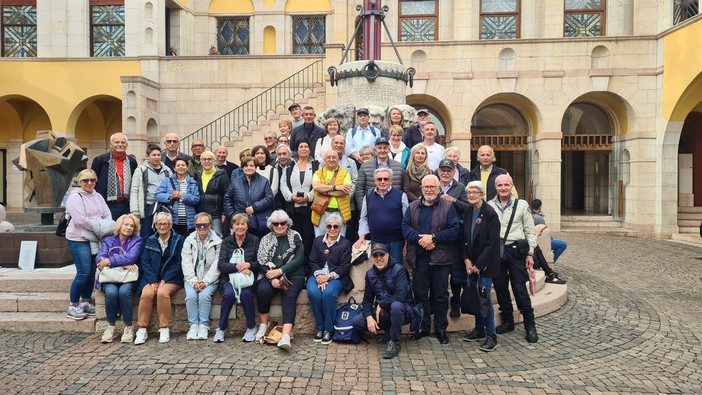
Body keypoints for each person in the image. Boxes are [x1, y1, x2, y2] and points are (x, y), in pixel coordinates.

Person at [402, 174, 460, 344]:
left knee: (440, 295)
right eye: (426, 187)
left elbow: (454, 230)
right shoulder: (412, 207)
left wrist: (433, 238)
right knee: (420, 294)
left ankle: (441, 328)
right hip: (419, 258)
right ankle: (423, 327)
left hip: (441, 260)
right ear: (421, 189)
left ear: (438, 189)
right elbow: (405, 228)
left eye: (432, 187)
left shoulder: (448, 207)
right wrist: (422, 239)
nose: (429, 189)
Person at [487, 174, 539, 343]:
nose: (503, 188)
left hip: (515, 251)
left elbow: (529, 231)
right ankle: (508, 320)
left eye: (506, 185)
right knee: (501, 287)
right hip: (497, 251)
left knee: (519, 287)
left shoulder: (522, 205)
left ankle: (530, 325)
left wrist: (530, 253)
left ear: (511, 186)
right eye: (500, 185)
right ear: (495, 187)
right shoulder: (489, 206)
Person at [352, 243, 415, 359]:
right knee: (357, 322)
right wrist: (369, 317)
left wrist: (381, 304)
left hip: (404, 310)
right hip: (383, 312)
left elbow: (400, 296)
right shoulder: (370, 274)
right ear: (371, 258)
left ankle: (395, 341)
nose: (379, 258)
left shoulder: (399, 270)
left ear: (387, 255)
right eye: (375, 256)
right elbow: (367, 301)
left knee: (396, 306)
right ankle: (389, 331)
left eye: (382, 255)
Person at [254, 210, 306, 351]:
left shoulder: (295, 236)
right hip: (270, 275)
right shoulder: (265, 239)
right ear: (271, 225)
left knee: (289, 295)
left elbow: (299, 259)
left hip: (293, 275)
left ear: (287, 224)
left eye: (283, 223)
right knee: (262, 290)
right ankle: (264, 325)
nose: (279, 226)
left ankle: (286, 336)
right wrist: (272, 278)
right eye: (276, 224)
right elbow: (261, 261)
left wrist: (280, 271)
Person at [65, 169, 112, 320]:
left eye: (92, 180)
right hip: (78, 238)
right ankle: (73, 305)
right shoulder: (75, 197)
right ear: (80, 182)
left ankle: (85, 301)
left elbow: (107, 215)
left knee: (92, 271)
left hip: (95, 238)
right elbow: (80, 220)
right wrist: (101, 227)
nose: (89, 183)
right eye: (86, 180)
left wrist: (103, 226)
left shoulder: (97, 196)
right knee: (83, 272)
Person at [460, 181, 501, 352]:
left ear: (482, 194)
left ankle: (491, 335)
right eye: (469, 192)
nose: (471, 195)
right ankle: (479, 329)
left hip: (485, 265)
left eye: (475, 192)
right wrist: (467, 260)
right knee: (477, 298)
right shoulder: (469, 210)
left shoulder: (490, 213)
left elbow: (492, 244)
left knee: (484, 299)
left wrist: (478, 265)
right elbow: (463, 238)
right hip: (472, 263)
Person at [134, 212, 185, 345]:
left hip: (172, 278)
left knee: (162, 293)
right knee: (146, 294)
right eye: (159, 224)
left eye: (165, 224)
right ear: (155, 225)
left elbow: (179, 262)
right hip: (151, 278)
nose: (162, 226)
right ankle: (142, 329)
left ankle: (164, 328)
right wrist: (152, 281)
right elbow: (145, 262)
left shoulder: (179, 240)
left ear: (171, 225)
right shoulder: (149, 240)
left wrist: (164, 280)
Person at [95, 214, 143, 343]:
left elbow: (132, 257)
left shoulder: (137, 241)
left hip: (128, 277)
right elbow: (99, 258)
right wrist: (123, 263)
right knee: (111, 292)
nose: (128, 228)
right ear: (119, 225)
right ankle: (111, 326)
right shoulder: (108, 240)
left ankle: (128, 327)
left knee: (124, 292)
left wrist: (110, 261)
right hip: (110, 277)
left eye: (131, 226)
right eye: (126, 224)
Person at [306, 213, 353, 345]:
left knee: (328, 294)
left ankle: (328, 329)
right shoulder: (318, 240)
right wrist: (320, 276)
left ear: (340, 228)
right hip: (317, 275)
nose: (332, 229)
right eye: (329, 226)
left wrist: (328, 277)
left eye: (335, 226)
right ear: (326, 227)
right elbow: (313, 260)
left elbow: (345, 266)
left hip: (336, 277)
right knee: (313, 293)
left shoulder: (345, 243)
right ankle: (319, 328)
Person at [214, 213, 260, 343]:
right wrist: (239, 267)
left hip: (248, 279)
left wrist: (249, 265)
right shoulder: (226, 241)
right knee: (229, 295)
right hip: (229, 278)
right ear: (232, 226)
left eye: (242, 224)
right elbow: (221, 264)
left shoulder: (255, 240)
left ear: (247, 225)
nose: (240, 227)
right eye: (237, 224)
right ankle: (221, 328)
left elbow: (260, 263)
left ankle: (251, 327)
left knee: (246, 295)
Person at [436, 159, 469, 318]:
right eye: (442, 170)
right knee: (440, 275)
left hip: (456, 237)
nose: (445, 173)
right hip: (438, 237)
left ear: (453, 171)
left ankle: (456, 302)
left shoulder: (460, 187)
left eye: (448, 170)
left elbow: (468, 208)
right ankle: (440, 303)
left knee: (457, 275)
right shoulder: (433, 186)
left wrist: (453, 200)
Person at [356, 168, 409, 267]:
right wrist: (361, 237)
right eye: (379, 179)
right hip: (376, 240)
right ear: (375, 181)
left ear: (391, 181)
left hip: (396, 241)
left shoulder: (401, 196)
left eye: (386, 179)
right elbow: (363, 218)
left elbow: (407, 220)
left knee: (396, 269)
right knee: (379, 269)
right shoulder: (368, 196)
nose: (383, 181)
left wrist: (406, 242)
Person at [181, 213, 222, 341]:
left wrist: (205, 282)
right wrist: (193, 282)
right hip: (192, 278)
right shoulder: (189, 240)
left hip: (210, 279)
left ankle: (203, 325)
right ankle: (193, 325)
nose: (202, 227)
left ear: (210, 225)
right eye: (199, 225)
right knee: (191, 296)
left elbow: (217, 264)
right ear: (195, 226)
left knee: (204, 296)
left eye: (205, 224)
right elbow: (186, 263)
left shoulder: (218, 241)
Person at [280, 139, 318, 265]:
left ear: (309, 150)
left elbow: (318, 185)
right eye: (301, 146)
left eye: (306, 146)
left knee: (308, 238)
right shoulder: (289, 166)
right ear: (297, 150)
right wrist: (291, 197)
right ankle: (295, 263)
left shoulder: (316, 166)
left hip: (309, 208)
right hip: (293, 209)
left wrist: (309, 197)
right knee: (294, 238)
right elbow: (283, 185)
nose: (303, 149)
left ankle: (307, 264)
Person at [223, 155, 275, 238]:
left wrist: (254, 208)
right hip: (240, 222)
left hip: (259, 222)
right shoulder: (235, 183)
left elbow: (269, 198)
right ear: (242, 168)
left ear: (256, 167)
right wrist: (233, 215)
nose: (248, 168)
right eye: (246, 166)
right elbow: (227, 199)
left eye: (251, 165)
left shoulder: (264, 181)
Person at [91, 132, 138, 220]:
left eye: (123, 142)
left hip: (126, 205)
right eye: (117, 142)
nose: (120, 145)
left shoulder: (132, 162)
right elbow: (93, 182)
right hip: (106, 204)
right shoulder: (100, 160)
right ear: (110, 144)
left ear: (126, 145)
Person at [130, 144, 171, 238]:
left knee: (163, 235)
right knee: (146, 235)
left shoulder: (167, 171)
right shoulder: (141, 170)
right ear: (147, 156)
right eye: (154, 155)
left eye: (158, 155)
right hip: (147, 208)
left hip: (163, 207)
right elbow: (134, 190)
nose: (156, 157)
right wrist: (135, 211)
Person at [354, 137, 404, 212]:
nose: (382, 150)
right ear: (375, 150)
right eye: (379, 148)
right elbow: (359, 189)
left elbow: (402, 189)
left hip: (393, 207)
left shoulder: (398, 166)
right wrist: (363, 208)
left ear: (389, 149)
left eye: (385, 148)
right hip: (372, 207)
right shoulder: (365, 166)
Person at [155, 157, 200, 237]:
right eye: (178, 165)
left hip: (189, 221)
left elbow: (196, 199)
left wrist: (182, 195)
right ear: (174, 168)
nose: (181, 167)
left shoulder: (193, 182)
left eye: (183, 165)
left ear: (187, 167)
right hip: (172, 220)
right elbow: (158, 195)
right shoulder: (167, 180)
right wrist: (171, 196)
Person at [311, 149, 352, 237]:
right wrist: (335, 187)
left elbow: (345, 191)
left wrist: (325, 191)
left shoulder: (345, 173)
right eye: (328, 157)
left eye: (334, 157)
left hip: (339, 213)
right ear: (324, 160)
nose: (331, 159)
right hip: (321, 213)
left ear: (338, 160)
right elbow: (316, 187)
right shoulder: (317, 173)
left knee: (339, 242)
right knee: (320, 241)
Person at [530, 199, 567, 284]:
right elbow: (543, 231)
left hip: (537, 241)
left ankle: (548, 270)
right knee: (563, 244)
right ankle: (549, 265)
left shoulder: (534, 216)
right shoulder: (539, 218)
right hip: (543, 241)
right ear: (540, 207)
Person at [195, 150, 229, 236]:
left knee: (217, 237)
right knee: (201, 237)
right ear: (201, 161)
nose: (207, 161)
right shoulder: (197, 174)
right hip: (200, 212)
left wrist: (224, 213)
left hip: (216, 214)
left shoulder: (221, 174)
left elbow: (227, 194)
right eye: (204, 159)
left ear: (214, 161)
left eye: (209, 159)